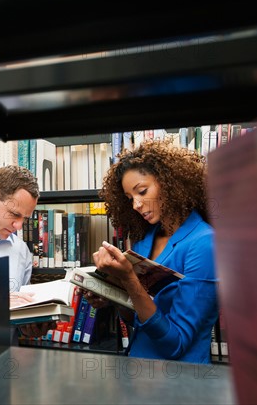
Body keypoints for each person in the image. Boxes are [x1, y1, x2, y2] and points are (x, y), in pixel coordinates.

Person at [85, 140, 218, 363]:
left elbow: (175, 344)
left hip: (180, 384)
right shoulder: (145, 241)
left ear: (170, 182)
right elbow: (138, 318)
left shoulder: (205, 244)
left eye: (142, 191)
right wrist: (112, 295)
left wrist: (129, 279)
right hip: (138, 374)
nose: (136, 205)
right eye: (130, 199)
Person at [0, 165, 55, 339]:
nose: (18, 226)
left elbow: (18, 310)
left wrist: (30, 326)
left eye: (24, 218)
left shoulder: (20, 250)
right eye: (14, 214)